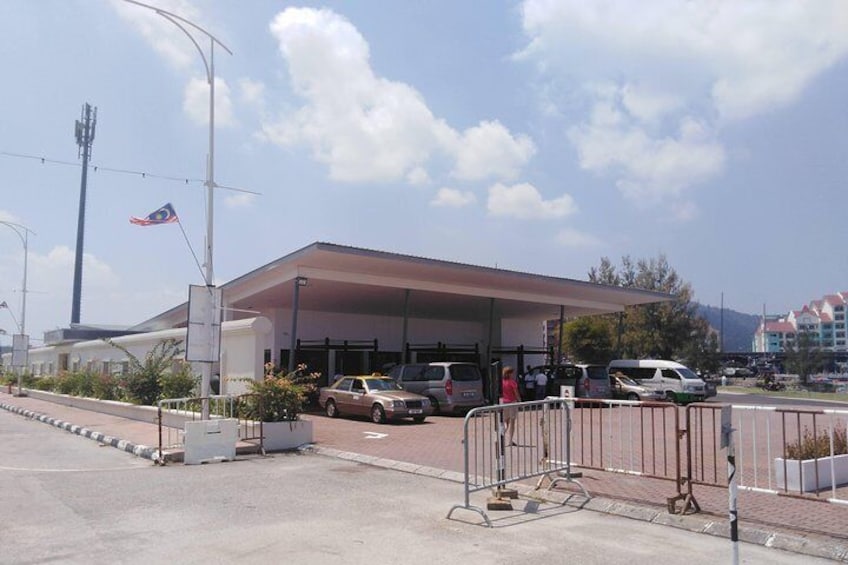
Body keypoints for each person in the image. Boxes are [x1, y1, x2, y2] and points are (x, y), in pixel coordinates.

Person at [499, 366, 520, 446]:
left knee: (505, 421)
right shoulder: (512, 382)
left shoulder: (502, 382)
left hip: (504, 403)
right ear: (509, 374)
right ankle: (510, 440)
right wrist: (520, 401)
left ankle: (500, 436)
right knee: (512, 422)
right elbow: (516, 393)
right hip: (512, 402)